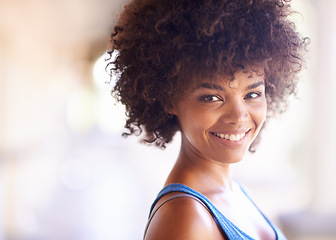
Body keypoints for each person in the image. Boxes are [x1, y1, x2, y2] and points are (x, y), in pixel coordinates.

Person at [108, 0, 308, 239]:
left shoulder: (234, 192)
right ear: (168, 99)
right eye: (212, 97)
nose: (239, 116)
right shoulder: (184, 218)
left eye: (252, 94)